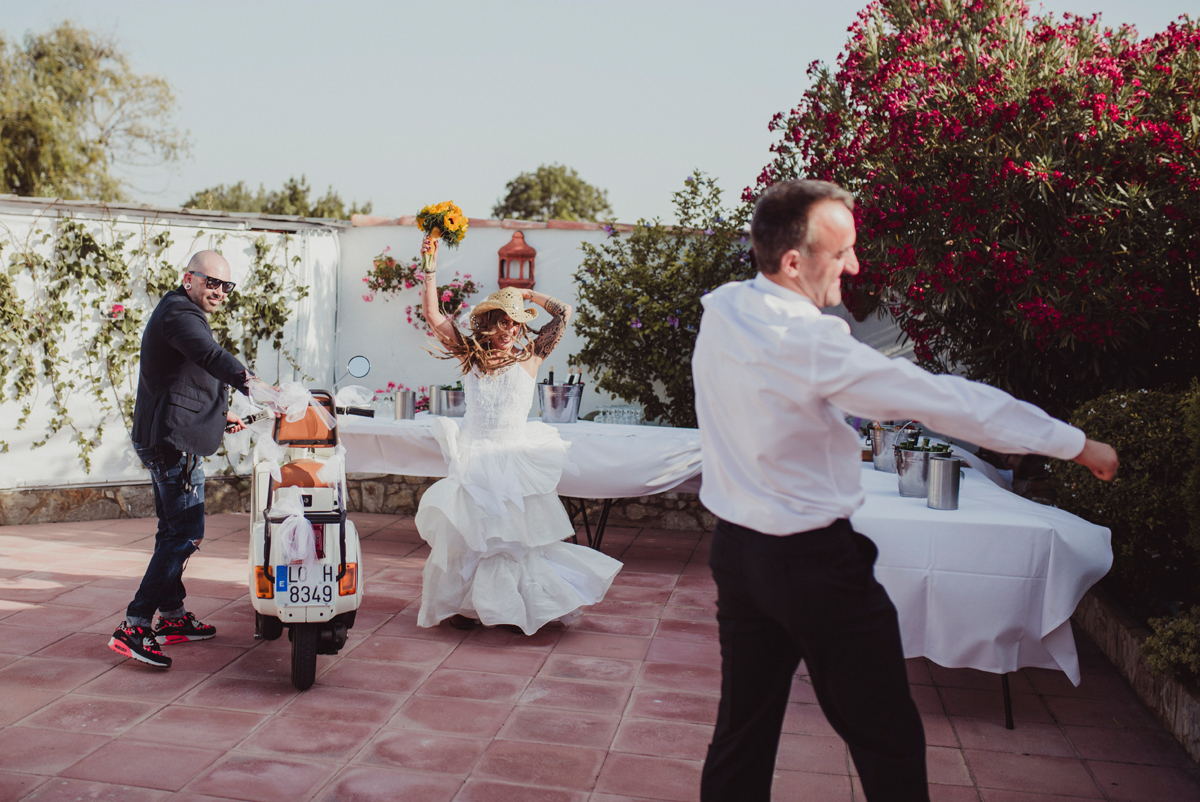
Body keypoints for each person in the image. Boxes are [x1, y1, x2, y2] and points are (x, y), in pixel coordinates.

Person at [691, 180, 1119, 802]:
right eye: (842, 253)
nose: (856, 266)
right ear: (793, 262)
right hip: (814, 567)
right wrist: (1074, 443)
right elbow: (944, 402)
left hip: (738, 557)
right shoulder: (809, 344)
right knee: (888, 738)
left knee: (741, 734)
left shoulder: (725, 310)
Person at [414, 236, 621, 634]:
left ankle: (514, 607)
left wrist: (526, 293)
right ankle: (468, 605)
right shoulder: (469, 355)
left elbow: (563, 313)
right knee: (471, 539)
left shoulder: (532, 355)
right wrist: (430, 268)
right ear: (489, 324)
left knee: (516, 544)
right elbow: (433, 315)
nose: (510, 328)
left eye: (515, 321)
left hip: (513, 460)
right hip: (476, 457)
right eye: (503, 321)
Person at [109, 250, 261, 668]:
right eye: (211, 282)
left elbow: (185, 377)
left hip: (167, 437)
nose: (219, 292)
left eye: (226, 286)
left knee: (172, 530)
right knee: (186, 534)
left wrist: (223, 413)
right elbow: (210, 357)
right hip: (169, 443)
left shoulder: (179, 311)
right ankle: (136, 625)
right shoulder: (179, 314)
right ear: (188, 278)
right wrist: (252, 384)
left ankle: (172, 618)